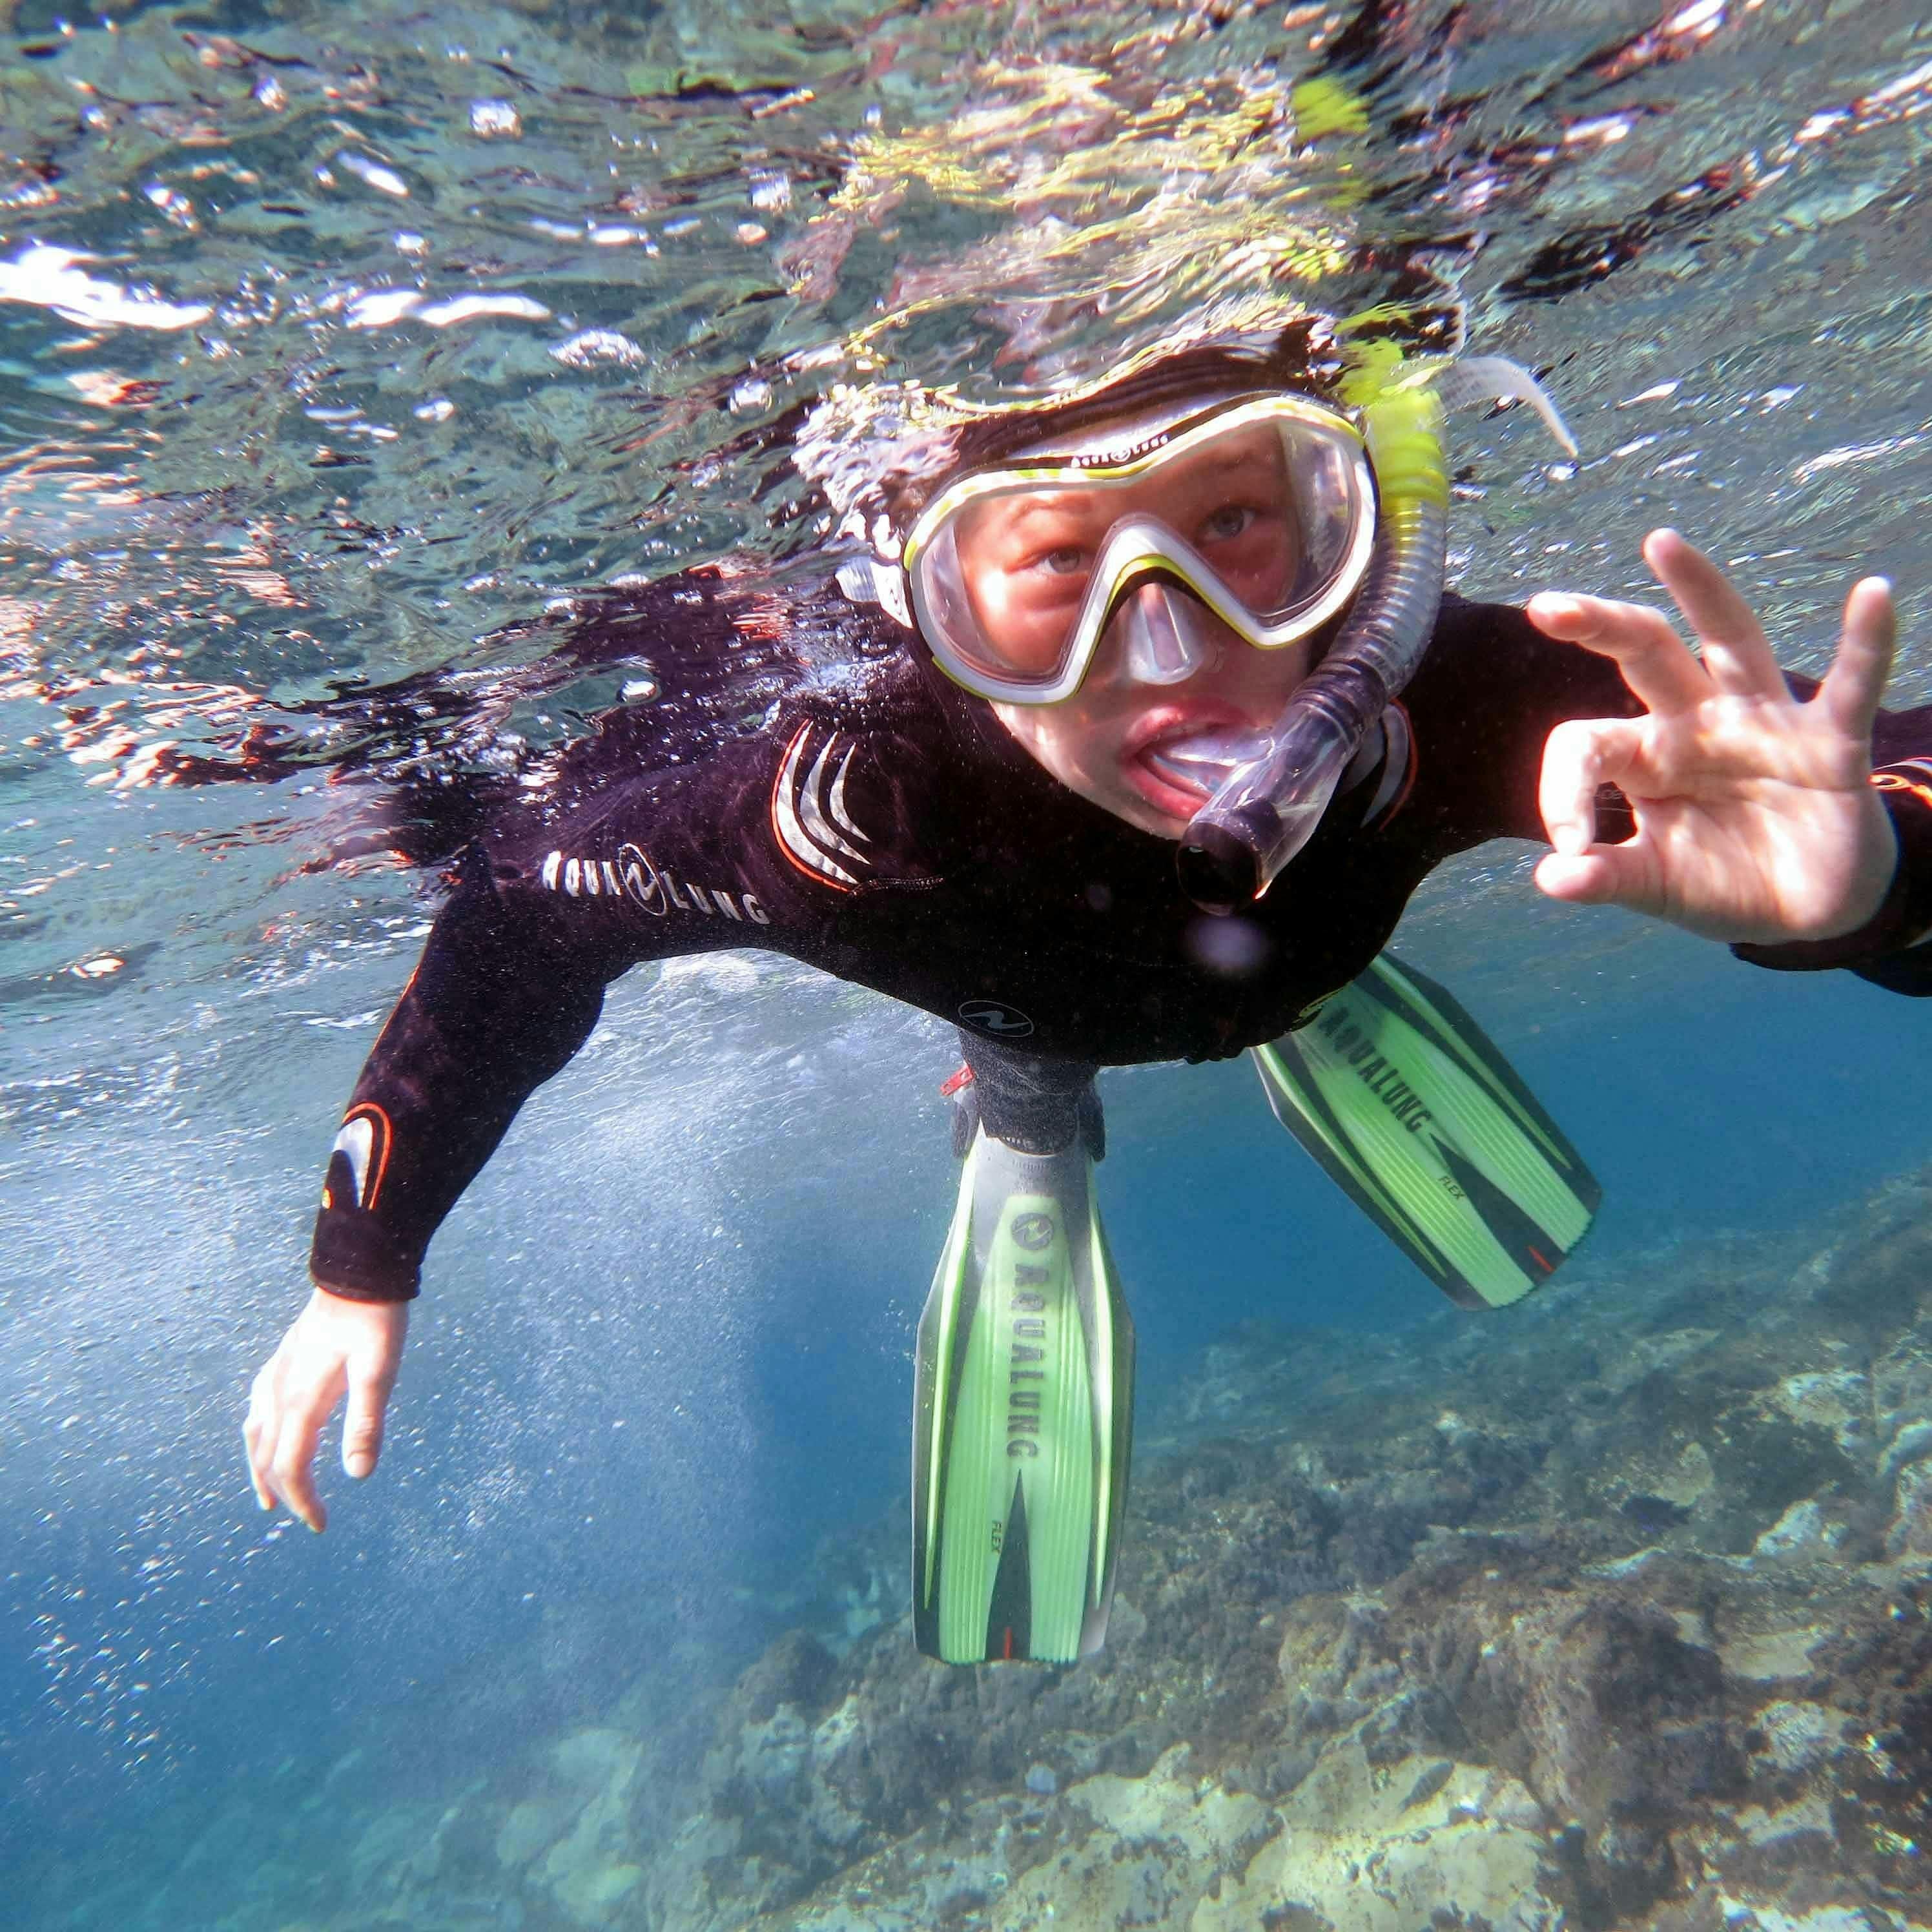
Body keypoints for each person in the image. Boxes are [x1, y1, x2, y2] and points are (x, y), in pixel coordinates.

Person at [243, 319, 1919, 1665]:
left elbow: (1865, 780)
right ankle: (1025, 1128)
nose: (1169, 646)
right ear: (928, 603)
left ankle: (1208, 1021)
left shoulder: (1483, 698)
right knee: (1028, 1022)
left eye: (1240, 531)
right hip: (1031, 1003)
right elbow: (520, 913)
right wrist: (361, 1257)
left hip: (1288, 950)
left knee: (1254, 939)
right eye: (1055, 572)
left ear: (1365, 550)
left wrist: (1877, 887)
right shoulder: (839, 811)